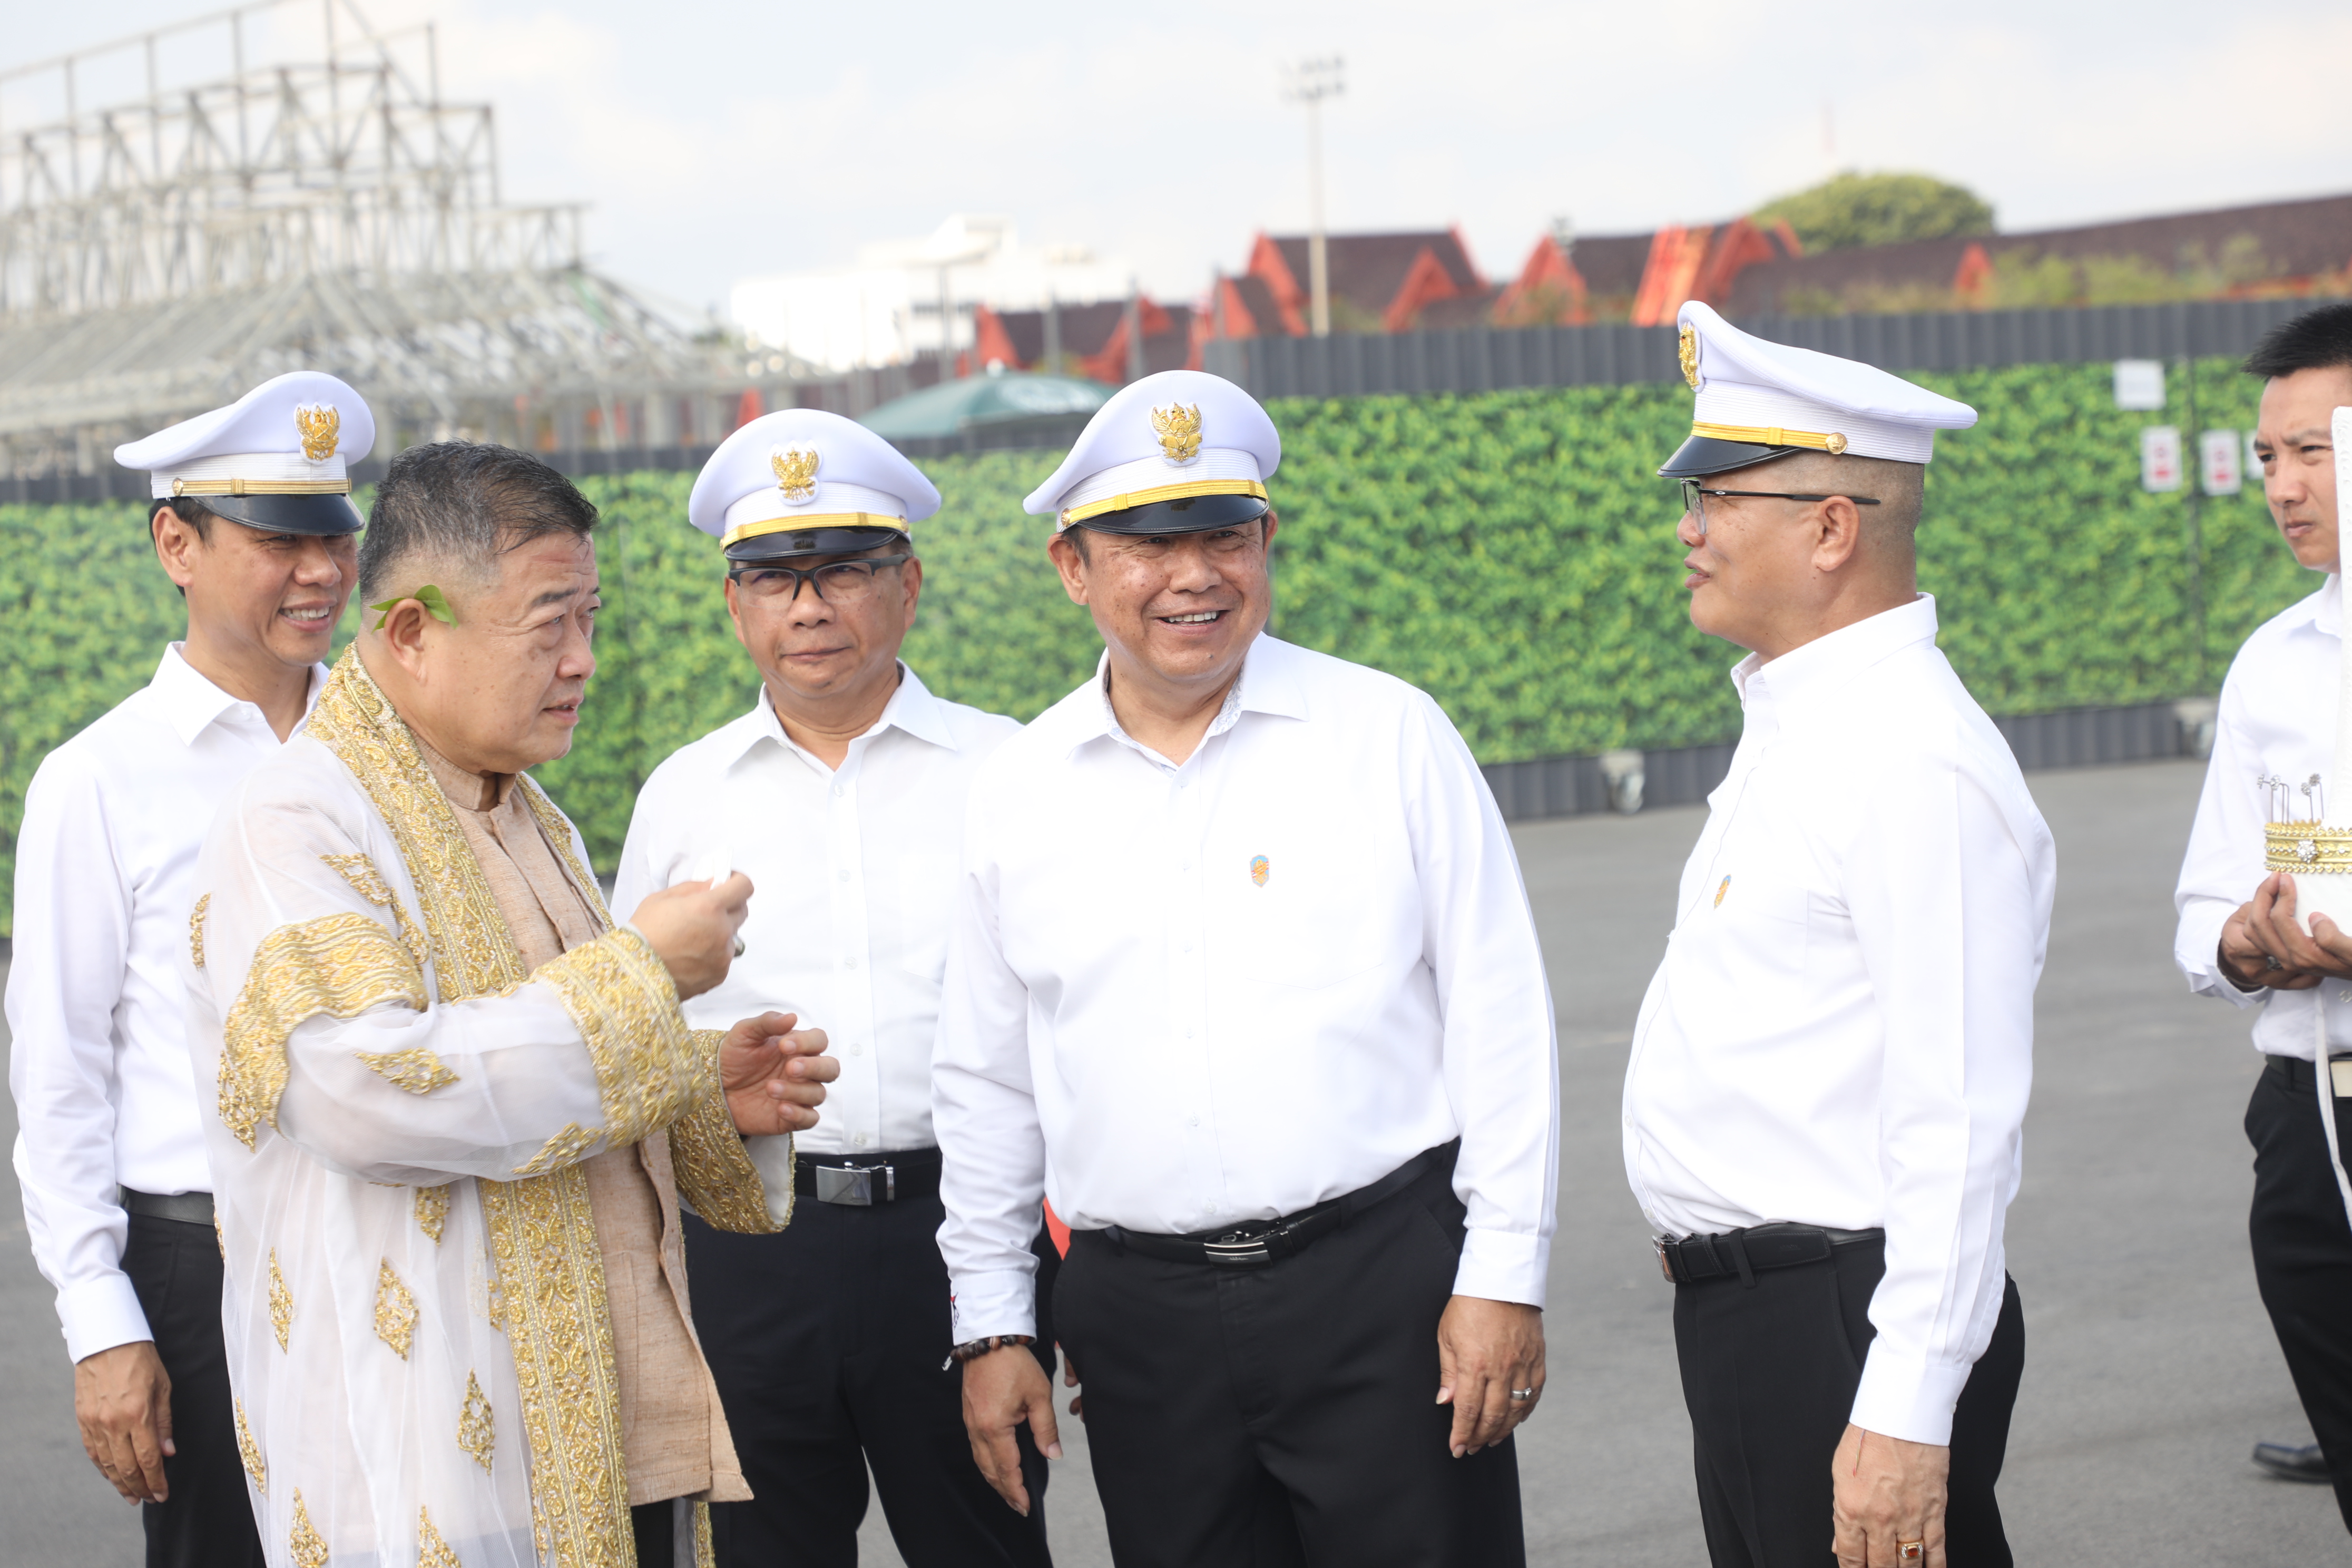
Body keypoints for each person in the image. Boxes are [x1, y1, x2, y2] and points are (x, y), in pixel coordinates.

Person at [933, 369, 1560, 1567]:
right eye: (1149, 544)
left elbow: (1501, 1019)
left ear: (1266, 543)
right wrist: (992, 1323)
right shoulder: (1018, 792)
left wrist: (1506, 1276)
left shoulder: (1388, 736)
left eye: (1226, 535)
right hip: (1138, 1322)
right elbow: (986, 1081)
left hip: (1382, 1296)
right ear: (1074, 567)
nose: (1195, 574)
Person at [181, 439, 839, 1567]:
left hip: (598, 1426)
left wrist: (695, 1084)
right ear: (410, 632)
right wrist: (642, 976)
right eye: (548, 626)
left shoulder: (532, 816)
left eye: (588, 618)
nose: (581, 661)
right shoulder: (295, 822)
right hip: (431, 1448)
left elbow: (551, 1065)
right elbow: (367, 1094)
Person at [1624, 303, 2052, 1568]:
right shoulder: (1810, 724)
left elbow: (1959, 1116)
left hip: (1847, 1325)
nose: (1688, 530)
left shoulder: (1913, 758)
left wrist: (1909, 1409)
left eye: (1717, 500)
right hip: (1771, 1324)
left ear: (1829, 527)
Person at [612, 409, 1047, 1566]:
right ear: (736, 604)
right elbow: (630, 1030)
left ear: (906, 586)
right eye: (772, 578)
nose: (808, 608)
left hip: (954, 1241)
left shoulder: (1010, 771)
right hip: (756, 1248)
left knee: (988, 1546)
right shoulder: (684, 796)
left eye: (843, 572)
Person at [6, 373, 370, 1566]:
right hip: (199, 1270)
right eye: (278, 540)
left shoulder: (389, 758)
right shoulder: (99, 779)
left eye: (334, 535)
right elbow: (60, 1082)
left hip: (389, 1242)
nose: (319, 570)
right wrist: (103, 1325)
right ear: (178, 542)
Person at [2173, 300, 2352, 1515]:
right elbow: (2203, 904)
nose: (2282, 486)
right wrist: (2243, 945)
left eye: (2313, 450)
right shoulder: (2274, 663)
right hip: (2303, 1127)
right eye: (2268, 457)